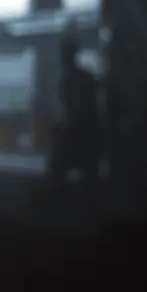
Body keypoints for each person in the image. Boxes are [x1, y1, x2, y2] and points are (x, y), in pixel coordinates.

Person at [46, 29, 101, 199]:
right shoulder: (81, 78)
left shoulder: (72, 80)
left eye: (63, 53)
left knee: (57, 171)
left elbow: (77, 111)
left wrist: (63, 128)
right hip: (87, 136)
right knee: (87, 179)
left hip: (81, 135)